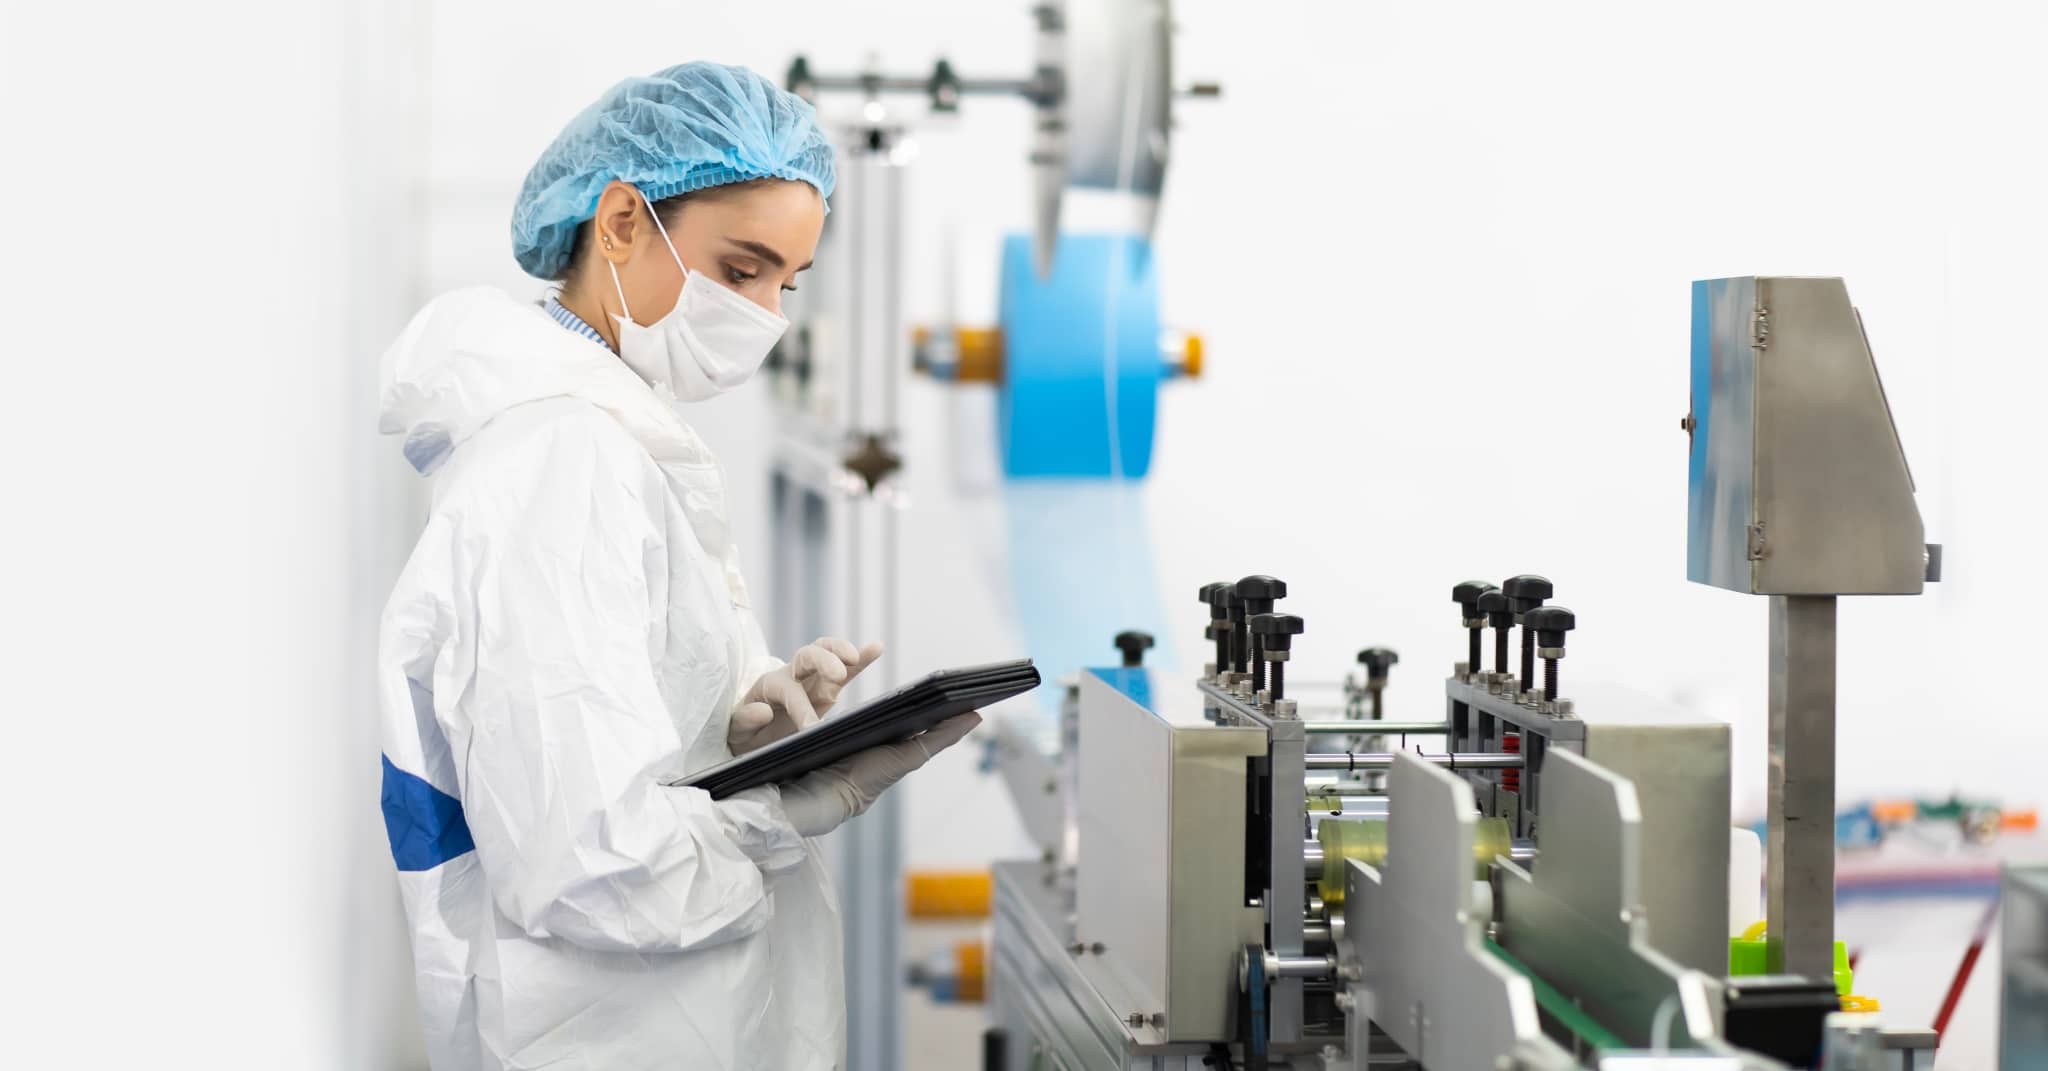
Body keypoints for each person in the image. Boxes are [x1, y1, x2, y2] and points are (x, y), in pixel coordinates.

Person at [375, 61, 978, 1070]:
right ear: (619, 221)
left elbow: (582, 744)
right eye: (740, 270)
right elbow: (592, 870)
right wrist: (783, 810)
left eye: (786, 283)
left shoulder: (596, 446)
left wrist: (726, 725)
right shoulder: (560, 462)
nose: (766, 315)